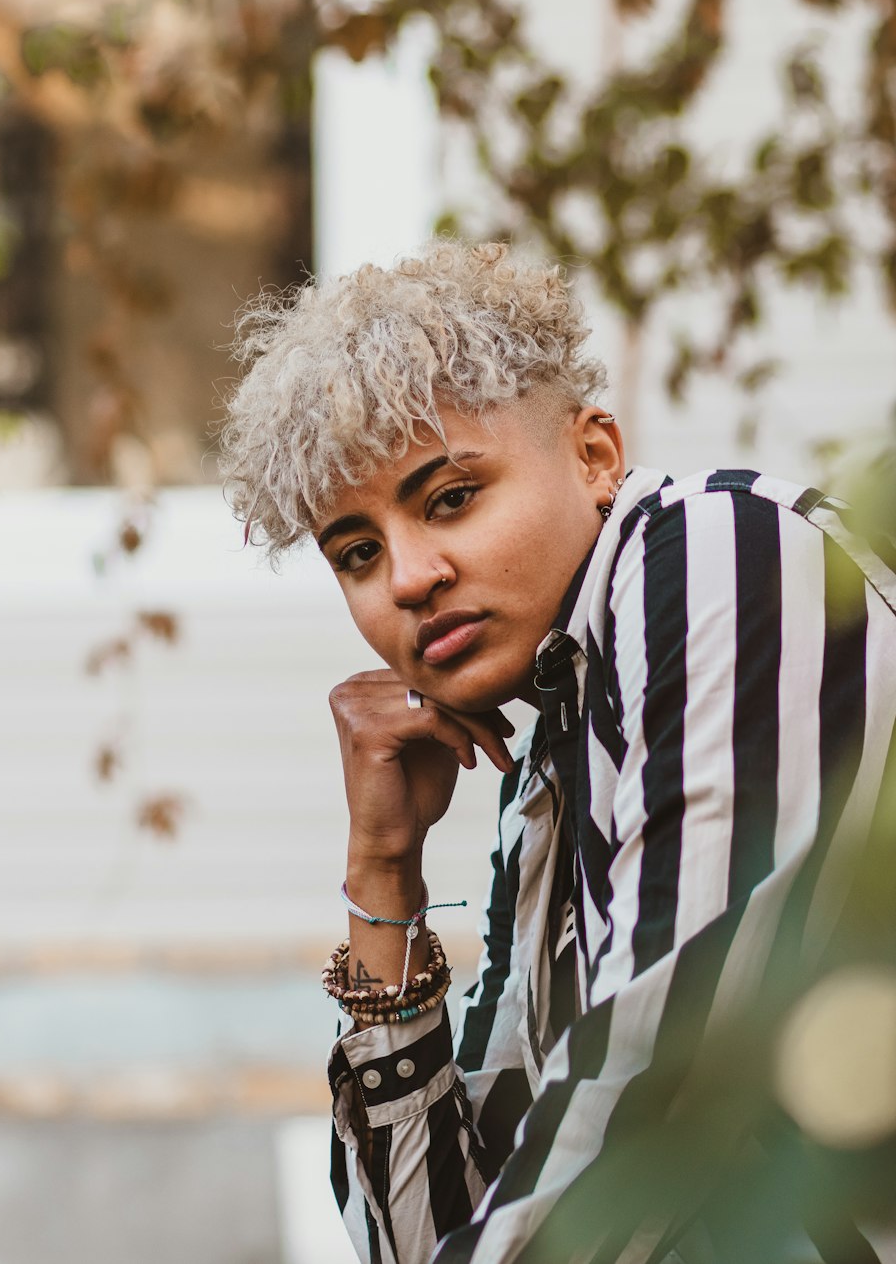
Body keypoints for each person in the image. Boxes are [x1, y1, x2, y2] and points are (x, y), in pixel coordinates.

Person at [219, 239, 896, 1264]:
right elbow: (428, 1236)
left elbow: (662, 1077)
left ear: (594, 456)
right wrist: (383, 878)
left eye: (449, 498)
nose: (408, 576)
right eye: (356, 552)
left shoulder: (716, 552)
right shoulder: (548, 772)